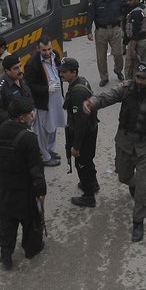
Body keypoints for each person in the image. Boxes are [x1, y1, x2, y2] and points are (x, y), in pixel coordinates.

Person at [84, 62, 146, 242]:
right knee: (123, 176)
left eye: (143, 78)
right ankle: (133, 184)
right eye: (137, 77)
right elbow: (107, 96)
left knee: (143, 185)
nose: (139, 81)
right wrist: (92, 103)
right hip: (125, 143)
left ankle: (138, 220)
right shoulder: (126, 88)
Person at [0, 97, 47, 270]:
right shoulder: (29, 138)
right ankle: (31, 249)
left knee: (6, 225)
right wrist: (41, 191)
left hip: (5, 189)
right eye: (30, 113)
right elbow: (36, 169)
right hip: (25, 192)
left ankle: (6, 256)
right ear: (22, 117)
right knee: (31, 223)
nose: (32, 115)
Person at [58, 58, 101, 208]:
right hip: (90, 129)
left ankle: (89, 197)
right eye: (61, 71)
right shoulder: (81, 82)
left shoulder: (77, 92)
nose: (61, 73)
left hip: (84, 133)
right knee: (88, 160)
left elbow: (81, 123)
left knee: (82, 164)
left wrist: (76, 146)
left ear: (74, 72)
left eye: (64, 71)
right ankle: (93, 184)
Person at [23, 38, 64, 167]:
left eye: (49, 49)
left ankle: (50, 150)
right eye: (44, 50)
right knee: (42, 130)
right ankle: (44, 157)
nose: (47, 52)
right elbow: (29, 85)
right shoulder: (32, 64)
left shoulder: (55, 54)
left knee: (53, 125)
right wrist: (47, 89)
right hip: (42, 101)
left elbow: (58, 67)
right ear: (38, 49)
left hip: (56, 98)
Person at [86, 0, 128, 87]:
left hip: (115, 30)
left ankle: (118, 71)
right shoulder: (96, 0)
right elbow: (90, 15)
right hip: (101, 31)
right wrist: (89, 31)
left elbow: (128, 7)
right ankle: (104, 77)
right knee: (101, 56)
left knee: (118, 53)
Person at [0, 55, 32, 127]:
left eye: (20, 66)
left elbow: (28, 95)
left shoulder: (21, 78)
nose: (20, 70)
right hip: (9, 127)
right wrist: (16, 117)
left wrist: (30, 110)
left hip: (24, 122)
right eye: (16, 68)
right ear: (7, 71)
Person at [124, 0, 146, 80]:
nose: (128, 2)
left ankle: (130, 85)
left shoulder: (136, 13)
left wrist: (132, 48)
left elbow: (135, 32)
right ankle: (144, 81)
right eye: (127, 0)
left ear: (137, 0)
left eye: (130, 0)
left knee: (132, 66)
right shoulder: (145, 7)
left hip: (137, 42)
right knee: (143, 64)